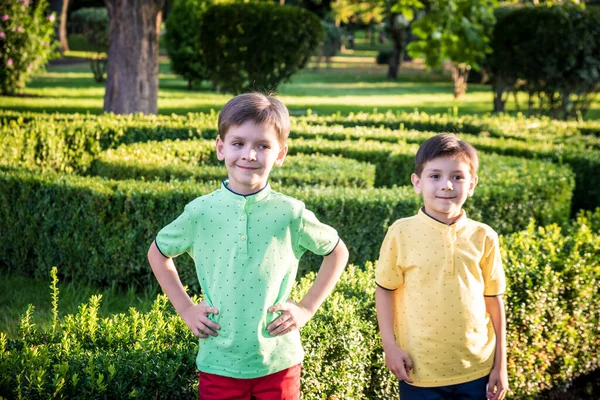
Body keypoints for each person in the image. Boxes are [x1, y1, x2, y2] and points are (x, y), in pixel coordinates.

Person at [148, 92, 349, 400]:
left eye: (262, 146)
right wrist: (187, 309)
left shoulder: (290, 212)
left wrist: (307, 308)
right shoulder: (200, 212)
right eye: (238, 143)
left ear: (280, 153)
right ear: (220, 147)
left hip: (279, 362)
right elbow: (158, 253)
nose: (249, 155)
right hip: (218, 362)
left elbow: (337, 252)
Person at [375, 134, 508, 400]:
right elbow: (385, 290)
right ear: (417, 182)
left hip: (476, 370)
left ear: (472, 184)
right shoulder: (401, 232)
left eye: (457, 177)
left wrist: (500, 365)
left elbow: (494, 300)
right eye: (435, 176)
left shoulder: (484, 236)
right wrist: (389, 346)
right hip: (419, 370)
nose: (446, 185)